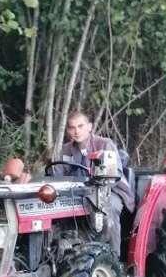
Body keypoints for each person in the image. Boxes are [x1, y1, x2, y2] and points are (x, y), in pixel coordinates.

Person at [50, 109, 134, 257]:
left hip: (109, 190)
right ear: (68, 130)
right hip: (79, 193)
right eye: (72, 127)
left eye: (80, 126)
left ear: (89, 127)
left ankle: (114, 258)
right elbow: (57, 175)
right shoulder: (66, 150)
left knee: (108, 209)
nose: (76, 131)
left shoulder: (104, 144)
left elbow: (114, 175)